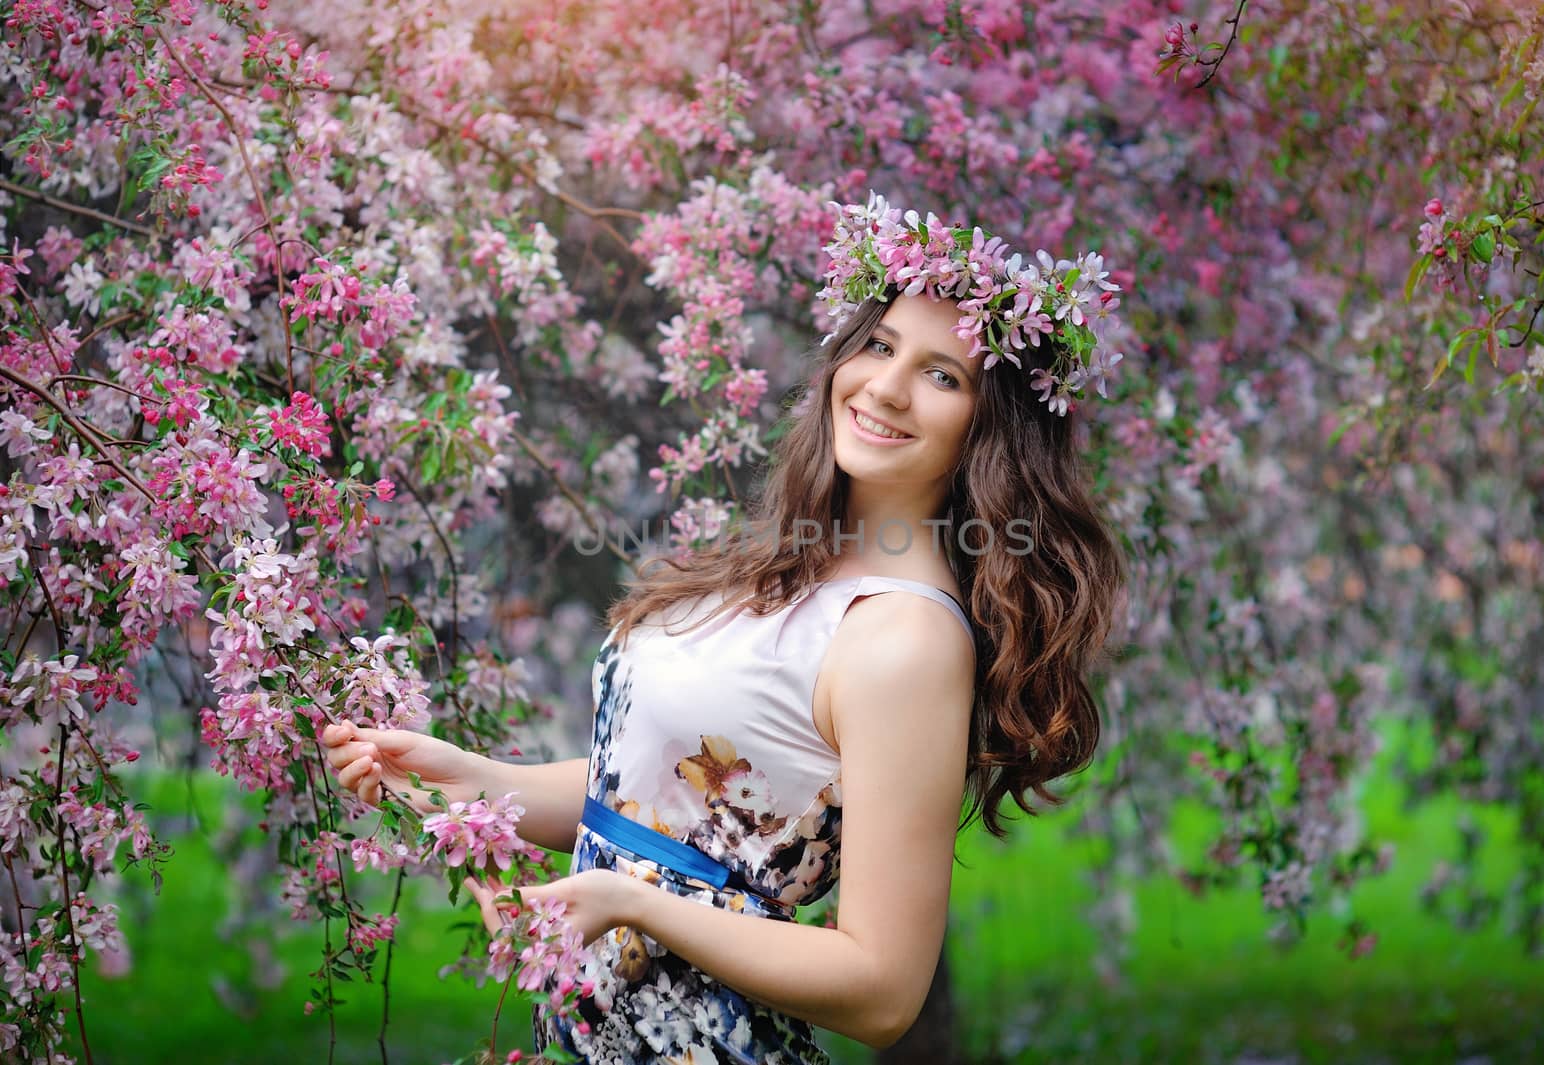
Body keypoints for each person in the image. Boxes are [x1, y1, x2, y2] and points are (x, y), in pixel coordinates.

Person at [321, 196, 1126, 1063]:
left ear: (992, 423)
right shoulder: (784, 570)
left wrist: (632, 905)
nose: (887, 387)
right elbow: (673, 811)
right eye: (881, 345)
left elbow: (884, 989)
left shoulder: (905, 640)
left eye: (943, 375)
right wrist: (484, 784)